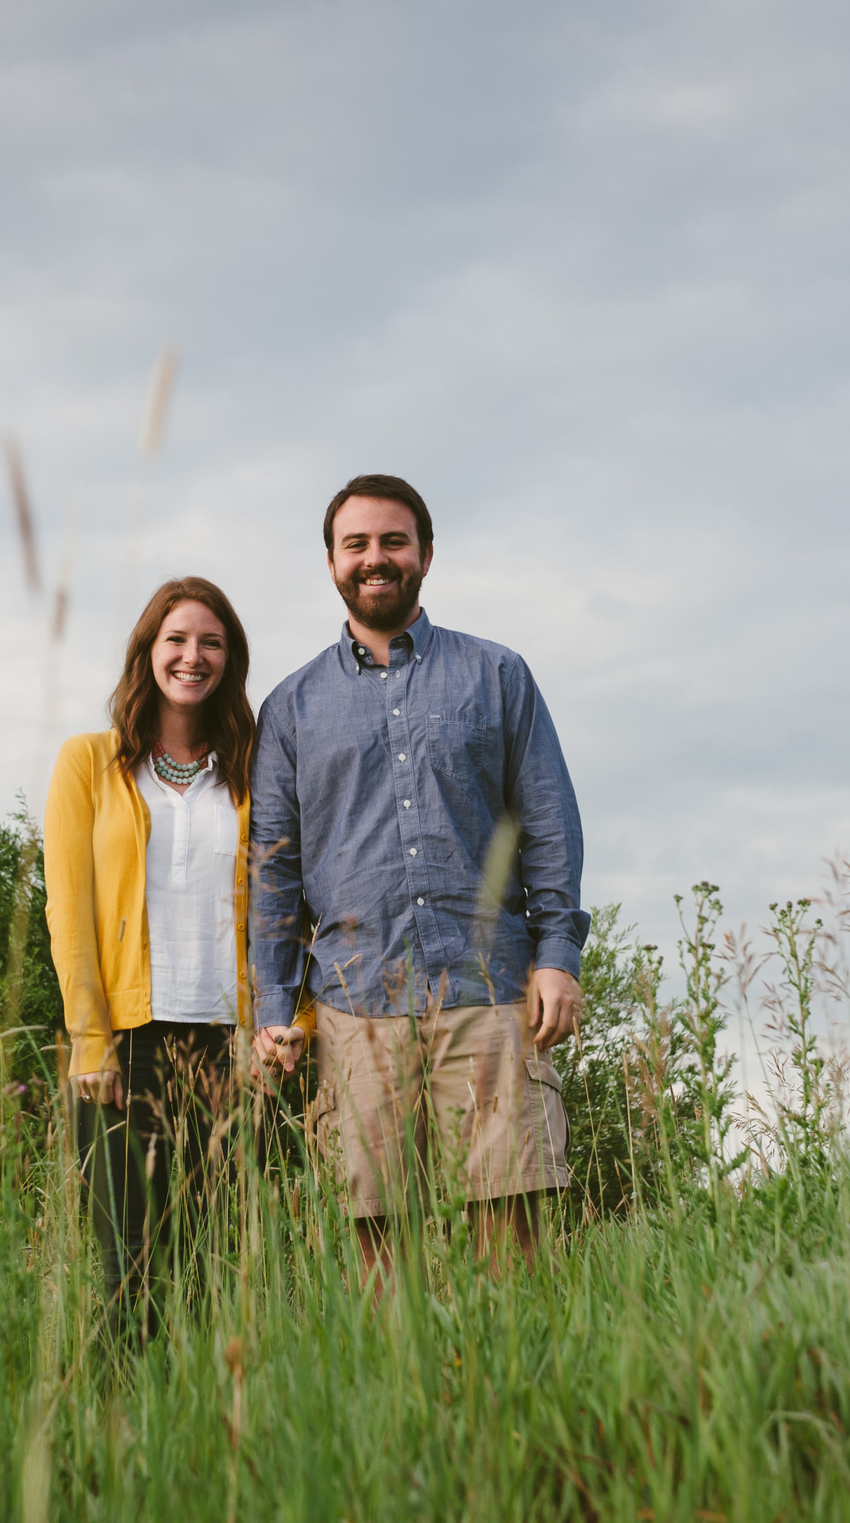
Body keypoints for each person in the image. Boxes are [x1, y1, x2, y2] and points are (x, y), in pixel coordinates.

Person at [249, 474, 588, 1276]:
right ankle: (401, 1400)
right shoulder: (291, 708)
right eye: (356, 544)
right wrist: (272, 1007)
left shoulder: (497, 676)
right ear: (330, 562)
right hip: (353, 1010)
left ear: (426, 555)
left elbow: (549, 823)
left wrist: (557, 957)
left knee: (514, 1246)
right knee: (379, 1255)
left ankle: (515, 1400)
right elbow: (273, 870)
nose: (376, 558)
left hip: (492, 993)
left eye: (393, 541)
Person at [43, 576, 311, 1341]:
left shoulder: (259, 772)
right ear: (147, 652)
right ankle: (117, 1449)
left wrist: (295, 1023)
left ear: (231, 659)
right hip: (124, 1050)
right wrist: (90, 1041)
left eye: (212, 643)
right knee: (129, 1269)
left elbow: (305, 902)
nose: (194, 656)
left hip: (235, 1052)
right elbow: (69, 913)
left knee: (219, 1268)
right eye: (177, 640)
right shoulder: (88, 765)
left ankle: (209, 1446)